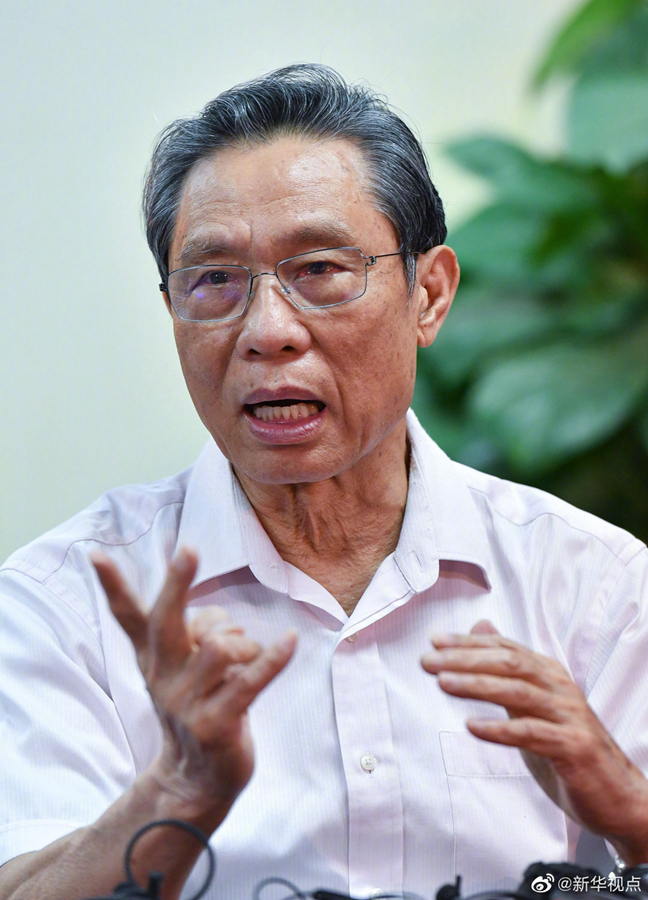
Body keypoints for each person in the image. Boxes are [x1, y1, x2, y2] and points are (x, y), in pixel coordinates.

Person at [0, 63, 647, 900]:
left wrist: (629, 810)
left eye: (319, 270)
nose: (267, 331)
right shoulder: (65, 603)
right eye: (214, 281)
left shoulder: (594, 585)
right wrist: (180, 794)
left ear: (429, 295)